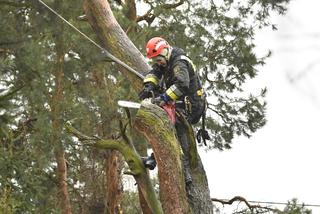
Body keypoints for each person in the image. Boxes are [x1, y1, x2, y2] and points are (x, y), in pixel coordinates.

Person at [139, 37, 206, 185]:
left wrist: (164, 97)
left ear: (164, 51)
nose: (158, 62)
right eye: (155, 60)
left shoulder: (179, 62)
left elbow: (182, 85)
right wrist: (149, 85)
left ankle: (185, 171)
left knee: (177, 128)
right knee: (163, 123)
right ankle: (156, 156)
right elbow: (155, 72)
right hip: (180, 99)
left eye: (159, 59)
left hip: (191, 105)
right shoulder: (166, 59)